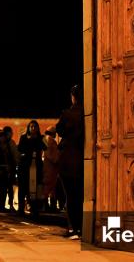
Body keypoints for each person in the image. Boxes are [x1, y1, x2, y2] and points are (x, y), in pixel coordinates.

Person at [56, 85, 85, 240]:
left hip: (67, 159)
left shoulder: (67, 113)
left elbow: (59, 130)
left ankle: (73, 229)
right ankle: (80, 228)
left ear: (73, 96)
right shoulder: (87, 114)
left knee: (70, 195)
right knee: (79, 195)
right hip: (81, 158)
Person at [17, 120, 45, 217]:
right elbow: (20, 148)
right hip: (25, 165)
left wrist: (38, 140)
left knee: (35, 188)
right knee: (23, 188)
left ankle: (34, 209)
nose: (33, 128)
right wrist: (29, 140)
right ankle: (21, 209)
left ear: (37, 128)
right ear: (28, 127)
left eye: (35, 126)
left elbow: (45, 147)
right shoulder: (23, 137)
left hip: (37, 165)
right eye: (31, 126)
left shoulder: (40, 138)